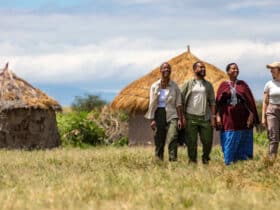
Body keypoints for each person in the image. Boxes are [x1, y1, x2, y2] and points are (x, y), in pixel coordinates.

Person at [216, 63, 259, 165]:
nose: (236, 70)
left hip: (243, 116)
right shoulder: (223, 85)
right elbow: (218, 102)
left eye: (237, 69)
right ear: (228, 71)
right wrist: (217, 116)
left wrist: (251, 115)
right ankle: (229, 161)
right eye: (233, 68)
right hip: (229, 117)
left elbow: (250, 101)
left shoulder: (243, 84)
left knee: (244, 137)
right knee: (230, 137)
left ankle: (244, 161)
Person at [145, 62, 184, 161]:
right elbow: (152, 104)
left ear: (170, 71)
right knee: (159, 139)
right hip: (159, 113)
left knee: (173, 137)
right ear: (160, 70)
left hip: (172, 114)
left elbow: (178, 104)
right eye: (164, 68)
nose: (167, 70)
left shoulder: (175, 86)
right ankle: (159, 160)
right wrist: (152, 119)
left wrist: (180, 119)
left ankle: (173, 160)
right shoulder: (155, 86)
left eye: (168, 68)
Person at [181, 61, 216, 164]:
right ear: (195, 69)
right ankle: (192, 162)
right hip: (190, 117)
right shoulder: (188, 83)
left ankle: (205, 158)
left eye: (204, 68)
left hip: (205, 118)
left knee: (207, 141)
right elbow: (181, 100)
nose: (203, 69)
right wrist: (182, 117)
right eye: (201, 67)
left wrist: (213, 117)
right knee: (191, 142)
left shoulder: (208, 85)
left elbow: (212, 102)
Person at [262, 62, 280, 160]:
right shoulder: (269, 84)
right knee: (273, 135)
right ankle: (272, 160)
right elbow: (265, 102)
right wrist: (263, 118)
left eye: (273, 68)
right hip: (272, 110)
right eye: (270, 68)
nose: (271, 70)